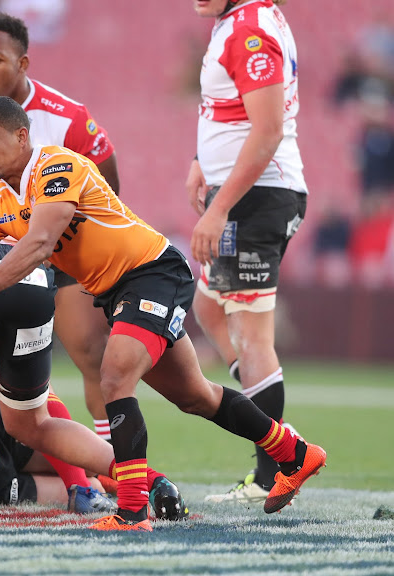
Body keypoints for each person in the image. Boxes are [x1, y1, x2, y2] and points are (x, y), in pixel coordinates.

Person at [0, 96, 327, 532]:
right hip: (115, 291)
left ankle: (133, 511)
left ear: (22, 137)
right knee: (195, 395)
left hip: (152, 271)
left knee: (115, 376)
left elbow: (40, 243)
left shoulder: (58, 166)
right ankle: (297, 453)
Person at [0, 12, 115, 442]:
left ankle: (113, 458)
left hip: (64, 248)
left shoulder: (67, 117)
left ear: (23, 64)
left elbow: (108, 185)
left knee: (92, 353)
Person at [185, 0, 310, 502]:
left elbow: (268, 128)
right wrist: (200, 160)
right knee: (208, 308)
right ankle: (285, 442)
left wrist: (219, 211)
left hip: (255, 199)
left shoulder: (250, 30)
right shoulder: (235, 23)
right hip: (244, 196)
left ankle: (273, 472)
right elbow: (230, 107)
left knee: (249, 334)